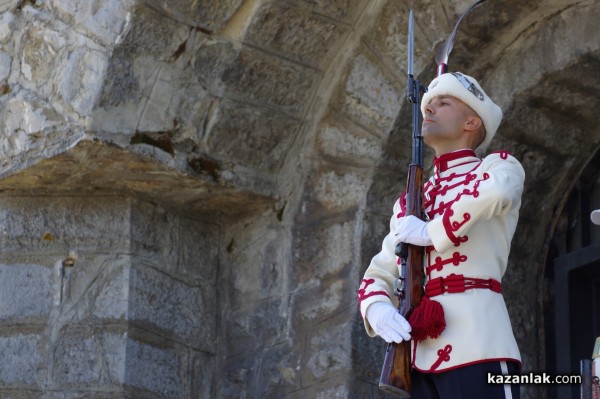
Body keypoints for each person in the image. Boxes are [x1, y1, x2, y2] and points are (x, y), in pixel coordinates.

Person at [357, 72, 525, 399]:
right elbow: (380, 272)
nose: (429, 110)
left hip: (480, 344)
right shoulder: (411, 200)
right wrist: (376, 308)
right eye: (427, 105)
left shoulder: (496, 168)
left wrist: (432, 231)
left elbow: (499, 191)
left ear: (472, 122)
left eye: (443, 102)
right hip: (420, 356)